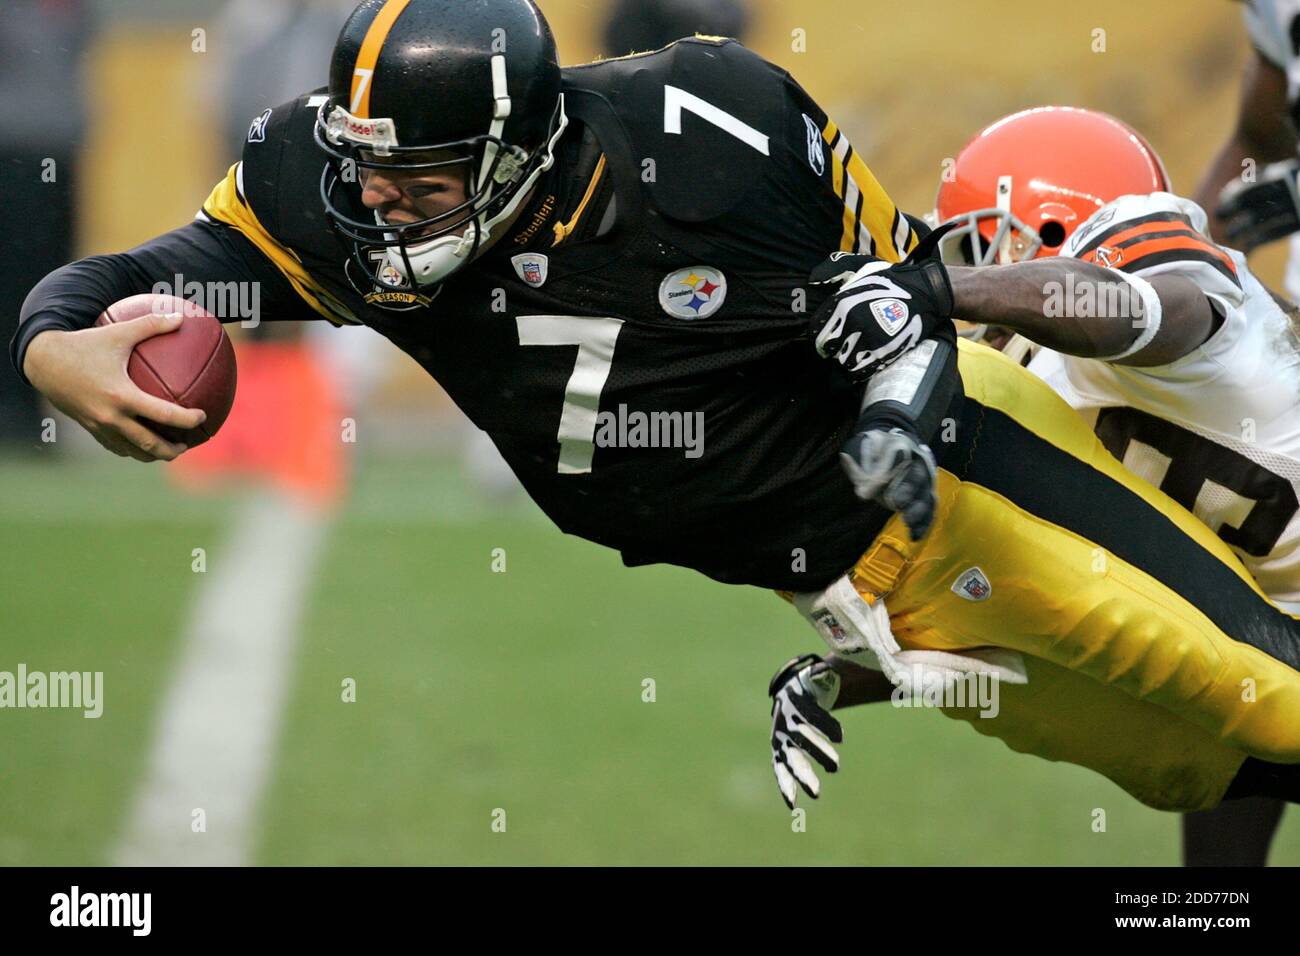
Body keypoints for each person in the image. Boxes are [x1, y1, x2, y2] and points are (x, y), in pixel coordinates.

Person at [14, 0, 1300, 825]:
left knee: (1280, 697)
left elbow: (904, 300)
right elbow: (137, 273)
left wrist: (901, 413)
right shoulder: (340, 190)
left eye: (417, 182)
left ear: (519, 157)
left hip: (969, 478)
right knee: (1208, 770)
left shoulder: (711, 139)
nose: (376, 213)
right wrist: (52, 343)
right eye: (365, 175)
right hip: (853, 588)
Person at [771, 106, 1300, 863]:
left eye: (979, 245)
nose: (969, 267)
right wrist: (849, 674)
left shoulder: (1177, 286)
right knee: (1202, 719)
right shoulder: (1032, 388)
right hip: (1268, 652)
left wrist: (946, 289)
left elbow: (1135, 308)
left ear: (1051, 232)